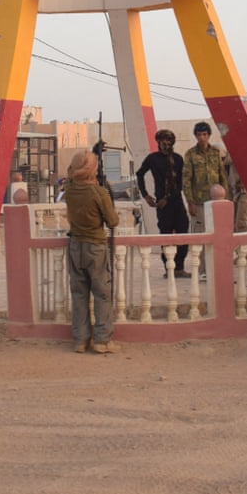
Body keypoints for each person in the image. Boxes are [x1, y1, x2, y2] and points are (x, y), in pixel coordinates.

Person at [62, 151, 121, 354]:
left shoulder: (68, 190)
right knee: (102, 294)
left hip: (75, 245)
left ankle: (80, 340)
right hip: (95, 246)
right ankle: (102, 340)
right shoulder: (99, 193)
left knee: (79, 293)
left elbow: (70, 180)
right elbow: (112, 221)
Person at [135, 129, 191, 277]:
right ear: (158, 142)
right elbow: (139, 174)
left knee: (183, 233)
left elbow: (180, 183)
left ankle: (179, 267)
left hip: (176, 201)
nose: (166, 143)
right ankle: (169, 269)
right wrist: (146, 195)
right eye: (163, 140)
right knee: (165, 237)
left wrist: (169, 198)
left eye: (168, 141)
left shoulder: (178, 159)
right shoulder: (153, 159)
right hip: (162, 204)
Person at [181, 122, 227, 277]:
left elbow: (222, 175)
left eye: (204, 134)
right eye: (199, 135)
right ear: (195, 136)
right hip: (199, 201)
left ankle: (217, 270)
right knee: (201, 236)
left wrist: (225, 196)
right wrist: (190, 201)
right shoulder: (191, 154)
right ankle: (203, 271)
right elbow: (186, 179)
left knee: (217, 236)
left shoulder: (215, 153)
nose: (202, 137)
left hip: (216, 202)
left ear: (209, 135)